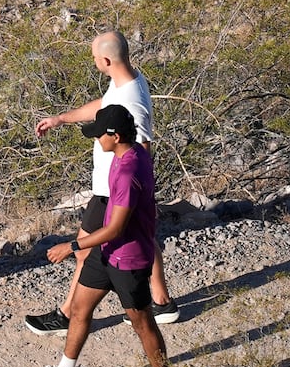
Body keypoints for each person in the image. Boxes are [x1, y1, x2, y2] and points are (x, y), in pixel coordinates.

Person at [20, 104, 180, 367]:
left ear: (115, 136)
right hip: (106, 253)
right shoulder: (128, 153)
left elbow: (116, 228)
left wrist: (73, 245)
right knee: (79, 309)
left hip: (129, 258)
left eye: (98, 136)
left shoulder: (130, 169)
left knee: (143, 323)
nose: (96, 141)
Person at [24, 31, 178, 336]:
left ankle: (67, 315)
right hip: (114, 187)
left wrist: (141, 194)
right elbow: (105, 105)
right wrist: (61, 119)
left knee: (83, 251)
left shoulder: (132, 102)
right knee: (142, 235)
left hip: (112, 190)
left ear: (105, 61)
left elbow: (143, 146)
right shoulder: (127, 81)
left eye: (95, 57)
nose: (94, 60)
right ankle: (161, 302)